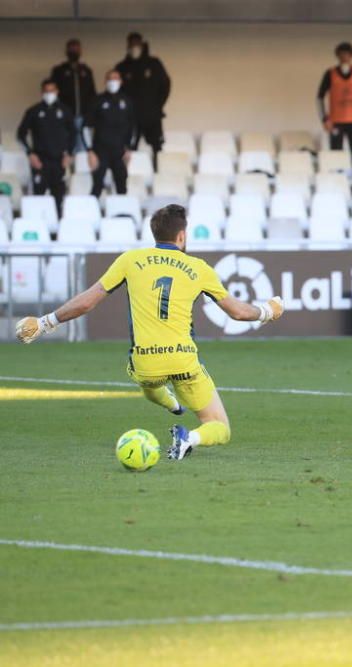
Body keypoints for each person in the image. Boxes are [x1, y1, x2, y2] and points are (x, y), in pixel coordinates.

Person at [15, 204, 285, 460]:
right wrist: (267, 312)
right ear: (181, 235)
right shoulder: (199, 268)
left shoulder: (131, 260)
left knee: (148, 380)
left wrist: (44, 322)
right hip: (183, 361)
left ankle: (171, 405)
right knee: (219, 426)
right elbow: (237, 311)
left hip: (146, 362)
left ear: (155, 233)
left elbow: (88, 301)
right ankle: (188, 438)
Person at [17, 79, 75, 213]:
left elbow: (74, 134)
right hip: (40, 161)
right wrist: (30, 154)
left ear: (57, 91)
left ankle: (58, 228)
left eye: (52, 91)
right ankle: (39, 226)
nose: (49, 94)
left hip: (59, 161)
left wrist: (69, 154)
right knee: (39, 196)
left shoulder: (65, 111)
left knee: (59, 197)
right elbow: (21, 134)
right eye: (46, 91)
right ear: (42, 92)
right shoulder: (33, 111)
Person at [317, 42, 352, 169]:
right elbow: (319, 97)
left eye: (347, 54)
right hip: (336, 121)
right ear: (337, 56)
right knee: (336, 153)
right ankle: (338, 177)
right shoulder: (330, 73)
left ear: (351, 56)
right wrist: (324, 119)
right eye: (341, 54)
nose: (344, 57)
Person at [83, 70, 137, 197]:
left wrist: (129, 149)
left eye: (116, 78)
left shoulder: (127, 102)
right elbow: (85, 127)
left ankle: (121, 215)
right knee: (97, 186)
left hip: (120, 152)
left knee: (122, 186)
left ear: (121, 81)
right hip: (100, 151)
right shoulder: (97, 101)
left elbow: (133, 127)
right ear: (105, 81)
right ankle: (91, 214)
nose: (113, 81)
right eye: (110, 79)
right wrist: (90, 151)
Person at [115, 32, 170, 155]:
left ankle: (157, 171)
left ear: (142, 44)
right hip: (131, 117)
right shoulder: (122, 67)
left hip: (152, 116)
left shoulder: (154, 64)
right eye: (131, 44)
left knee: (157, 147)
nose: (134, 47)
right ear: (127, 46)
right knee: (129, 148)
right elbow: (117, 93)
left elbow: (165, 85)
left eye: (137, 44)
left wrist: (157, 105)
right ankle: (128, 173)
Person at [50, 38, 97, 153]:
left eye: (76, 49)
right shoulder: (59, 71)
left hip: (83, 117)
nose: (74, 51)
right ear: (66, 51)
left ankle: (79, 170)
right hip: (65, 116)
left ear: (80, 51)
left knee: (83, 148)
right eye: (71, 48)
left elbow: (92, 94)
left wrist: (91, 114)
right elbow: (52, 93)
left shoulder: (86, 71)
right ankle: (68, 170)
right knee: (65, 147)